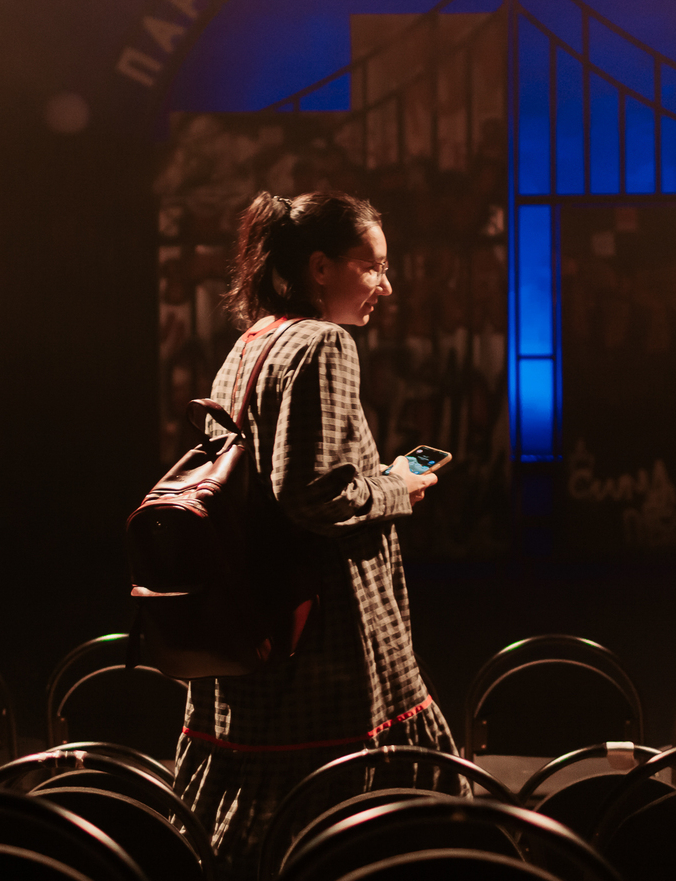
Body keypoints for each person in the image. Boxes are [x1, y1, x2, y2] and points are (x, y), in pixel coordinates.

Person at [174, 190, 450, 879]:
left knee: (258, 828)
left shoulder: (251, 343)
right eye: (372, 266)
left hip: (257, 614)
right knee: (364, 822)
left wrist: (372, 478)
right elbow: (310, 495)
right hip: (325, 626)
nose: (386, 284)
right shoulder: (326, 344)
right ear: (320, 267)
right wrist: (398, 486)